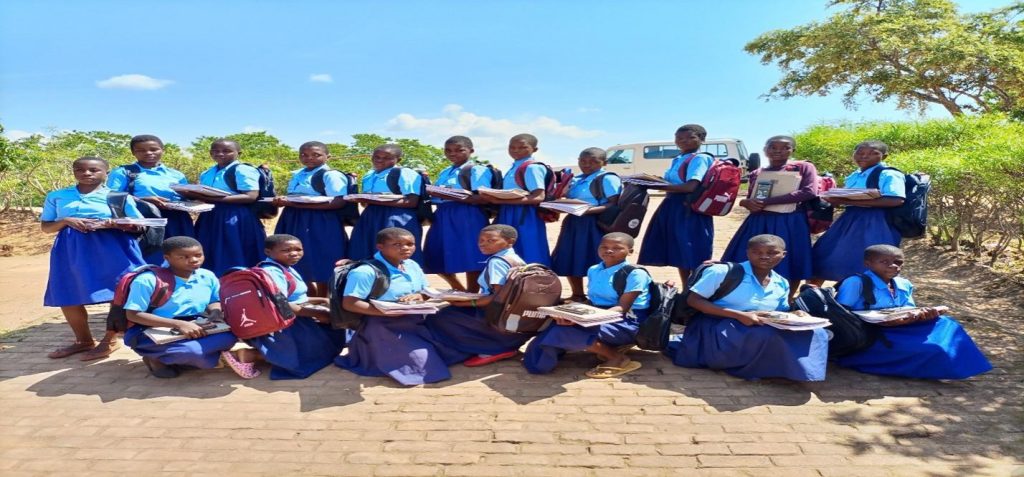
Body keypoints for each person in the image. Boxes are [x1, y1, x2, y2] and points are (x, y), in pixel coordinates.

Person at [667, 234, 829, 381]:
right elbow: (694, 301)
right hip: (717, 324)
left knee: (817, 332)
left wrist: (796, 314)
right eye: (757, 252)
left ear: (783, 255)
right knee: (765, 335)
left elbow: (781, 311)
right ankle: (763, 369)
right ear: (747, 253)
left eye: (772, 252)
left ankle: (800, 372)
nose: (764, 256)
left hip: (756, 323)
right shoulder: (722, 272)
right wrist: (738, 315)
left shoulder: (781, 283)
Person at [41, 156, 147, 360]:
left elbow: (140, 224)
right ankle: (83, 341)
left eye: (93, 170)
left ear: (106, 173)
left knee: (118, 291)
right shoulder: (57, 196)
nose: (86, 173)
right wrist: (65, 220)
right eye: (80, 170)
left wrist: (113, 223)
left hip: (113, 246)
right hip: (71, 249)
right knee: (67, 291)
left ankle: (110, 340)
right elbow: (46, 227)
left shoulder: (119, 196)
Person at [833, 245, 992, 379]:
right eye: (885, 262)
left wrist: (921, 315)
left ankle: (966, 364)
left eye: (898, 262)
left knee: (947, 323)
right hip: (870, 332)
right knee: (931, 349)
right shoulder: (856, 283)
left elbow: (908, 309)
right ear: (868, 264)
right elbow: (839, 313)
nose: (894, 266)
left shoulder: (903, 284)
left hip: (901, 327)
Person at [334, 228, 468, 386]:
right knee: (424, 368)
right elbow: (350, 303)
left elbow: (425, 290)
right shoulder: (365, 271)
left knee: (456, 333)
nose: (405, 248)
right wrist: (386, 312)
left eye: (410, 244)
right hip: (382, 325)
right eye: (397, 244)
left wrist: (420, 296)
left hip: (415, 319)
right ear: (380, 247)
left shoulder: (411, 265)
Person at [122, 236, 253, 379]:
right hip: (153, 329)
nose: (193, 260)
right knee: (193, 351)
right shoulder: (148, 280)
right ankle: (155, 358)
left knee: (230, 338)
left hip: (195, 325)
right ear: (167, 258)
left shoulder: (207, 276)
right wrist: (178, 324)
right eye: (183, 257)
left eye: (198, 255)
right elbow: (133, 315)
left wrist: (215, 313)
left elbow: (214, 300)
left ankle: (182, 358)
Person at [524, 232, 651, 378]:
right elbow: (593, 301)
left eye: (617, 248)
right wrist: (568, 312)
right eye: (604, 247)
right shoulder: (594, 269)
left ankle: (616, 357)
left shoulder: (635, 274)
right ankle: (548, 357)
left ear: (630, 251)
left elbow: (622, 308)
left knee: (568, 331)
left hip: (625, 321)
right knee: (555, 324)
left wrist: (586, 319)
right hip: (598, 314)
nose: (609, 250)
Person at [236, 234, 348, 379]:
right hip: (284, 321)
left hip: (298, 315)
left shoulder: (285, 267)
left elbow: (296, 296)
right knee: (308, 359)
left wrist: (323, 300)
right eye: (286, 250)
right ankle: (254, 355)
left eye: (298, 249)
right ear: (268, 252)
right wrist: (318, 313)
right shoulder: (272, 271)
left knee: (336, 338)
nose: (294, 253)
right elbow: (280, 304)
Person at [720, 136, 817, 299]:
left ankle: (786, 299)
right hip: (759, 221)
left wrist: (768, 201)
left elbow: (809, 191)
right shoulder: (758, 172)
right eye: (773, 147)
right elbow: (752, 196)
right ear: (765, 150)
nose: (778, 150)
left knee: (791, 260)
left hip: (790, 221)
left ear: (793, 150)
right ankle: (747, 297)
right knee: (746, 258)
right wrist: (745, 202)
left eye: (785, 147)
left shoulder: (803, 167)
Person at [426, 224, 531, 367]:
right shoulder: (514, 258)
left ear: (510, 242)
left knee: (441, 316)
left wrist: (467, 303)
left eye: (490, 240)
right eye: (480, 240)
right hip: (512, 309)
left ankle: (490, 349)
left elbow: (497, 297)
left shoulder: (497, 263)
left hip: (497, 311)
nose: (483, 244)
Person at [811, 140, 904, 282]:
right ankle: (812, 295)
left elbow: (896, 200)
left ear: (884, 157)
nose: (864, 156)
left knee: (870, 261)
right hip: (850, 218)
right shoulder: (854, 175)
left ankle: (865, 297)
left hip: (876, 222)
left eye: (873, 153)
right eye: (860, 153)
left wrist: (847, 201)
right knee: (824, 253)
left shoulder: (888, 174)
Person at [638, 124, 715, 282]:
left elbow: (690, 186)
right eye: (679, 138)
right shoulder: (679, 159)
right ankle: (687, 290)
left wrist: (655, 185)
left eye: (690, 137)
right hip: (673, 205)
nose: (684, 141)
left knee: (691, 249)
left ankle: (696, 292)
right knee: (681, 251)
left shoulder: (699, 158)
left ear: (702, 139)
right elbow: (674, 181)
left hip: (688, 207)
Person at [272, 141, 350, 297]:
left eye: (316, 155)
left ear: (328, 156)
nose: (309, 158)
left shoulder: (331, 175)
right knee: (298, 258)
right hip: (294, 219)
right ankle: (309, 296)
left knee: (322, 257)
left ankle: (325, 300)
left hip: (320, 221)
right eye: (304, 155)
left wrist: (301, 205)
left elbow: (339, 201)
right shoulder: (298, 174)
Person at [178, 138, 266, 276]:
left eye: (227, 151)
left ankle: (240, 282)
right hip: (209, 215)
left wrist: (211, 198)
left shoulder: (243, 170)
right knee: (210, 249)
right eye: (215, 151)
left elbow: (250, 196)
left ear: (238, 153)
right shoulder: (207, 172)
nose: (220, 154)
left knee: (233, 249)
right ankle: (214, 282)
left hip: (235, 216)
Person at [107, 134, 195, 265]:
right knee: (150, 256)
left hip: (177, 220)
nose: (148, 153)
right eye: (141, 150)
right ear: (133, 152)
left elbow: (184, 196)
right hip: (145, 220)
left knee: (180, 256)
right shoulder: (124, 172)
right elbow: (113, 196)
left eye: (154, 149)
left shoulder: (175, 174)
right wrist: (144, 199)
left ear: (162, 150)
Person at [550, 148, 622, 302]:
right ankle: (577, 294)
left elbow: (614, 204)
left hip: (595, 223)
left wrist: (588, 211)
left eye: (593, 161)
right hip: (574, 221)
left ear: (604, 163)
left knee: (595, 258)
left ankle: (599, 296)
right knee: (571, 256)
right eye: (583, 161)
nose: (587, 165)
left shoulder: (607, 178)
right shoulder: (576, 179)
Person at [423, 136, 492, 292]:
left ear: (471, 151)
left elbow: (484, 197)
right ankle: (458, 288)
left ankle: (473, 294)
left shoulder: (477, 170)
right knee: (435, 253)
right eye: (448, 150)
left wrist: (451, 195)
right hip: (443, 214)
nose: (452, 153)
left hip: (467, 214)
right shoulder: (446, 171)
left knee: (471, 254)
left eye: (459, 150)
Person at [346, 144, 425, 265]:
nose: (379, 160)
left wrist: (375, 200)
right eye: (376, 157)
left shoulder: (404, 173)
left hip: (396, 217)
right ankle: (377, 281)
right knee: (368, 251)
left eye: (387, 158)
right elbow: (365, 203)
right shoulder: (369, 175)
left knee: (394, 253)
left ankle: (401, 281)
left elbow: (411, 201)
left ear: (398, 159)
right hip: (371, 216)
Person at [485, 134, 551, 266]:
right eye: (512, 147)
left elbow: (538, 196)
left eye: (522, 147)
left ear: (535, 149)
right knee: (508, 248)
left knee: (528, 248)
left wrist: (501, 201)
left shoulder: (532, 167)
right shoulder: (514, 167)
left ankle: (535, 281)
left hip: (525, 215)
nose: (516, 150)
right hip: (509, 211)